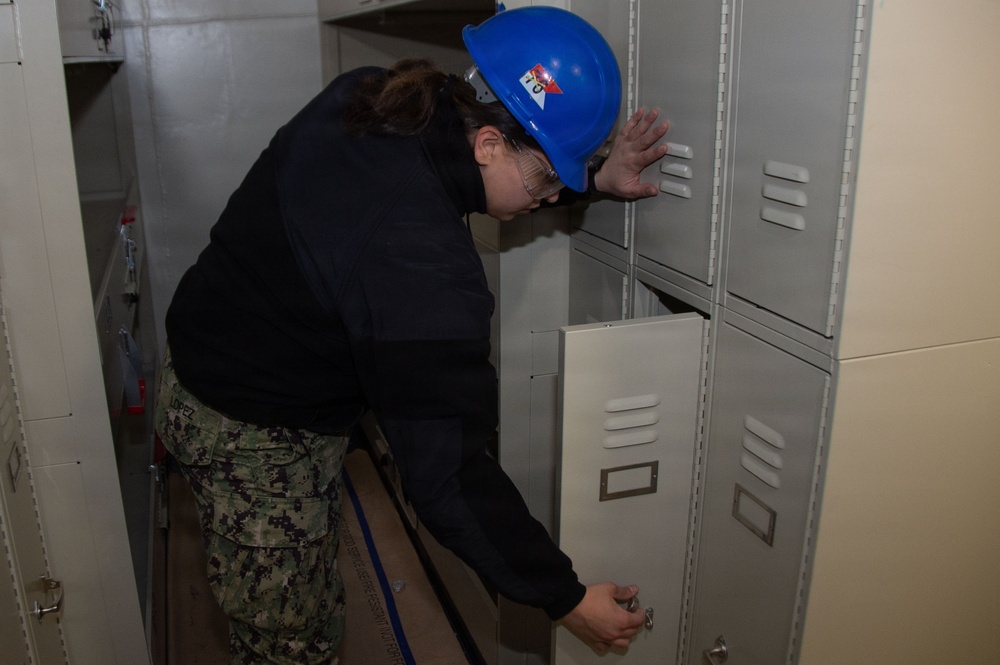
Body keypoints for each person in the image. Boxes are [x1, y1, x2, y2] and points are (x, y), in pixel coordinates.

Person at [155, 6, 670, 664]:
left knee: (309, 594)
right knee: (290, 640)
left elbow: (436, 201)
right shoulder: (423, 263)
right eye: (546, 181)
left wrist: (590, 180)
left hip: (201, 363)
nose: (545, 200)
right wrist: (565, 597)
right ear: (486, 142)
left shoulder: (372, 95)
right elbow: (449, 475)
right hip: (247, 428)